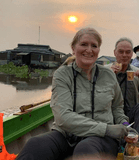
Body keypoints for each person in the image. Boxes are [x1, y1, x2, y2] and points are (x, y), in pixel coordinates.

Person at [16, 28, 130, 160]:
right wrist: (106, 128)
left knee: (86, 149)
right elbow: (63, 117)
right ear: (73, 48)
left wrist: (125, 126)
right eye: (83, 44)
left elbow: (117, 108)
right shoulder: (62, 74)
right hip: (66, 136)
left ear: (99, 50)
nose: (89, 50)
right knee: (35, 144)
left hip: (101, 139)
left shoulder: (108, 75)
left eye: (94, 46)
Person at [105, 37, 139, 143]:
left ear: (132, 54)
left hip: (130, 116)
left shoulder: (136, 72)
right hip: (110, 116)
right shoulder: (104, 71)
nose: (124, 55)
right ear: (115, 53)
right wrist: (109, 77)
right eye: (121, 52)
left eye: (128, 52)